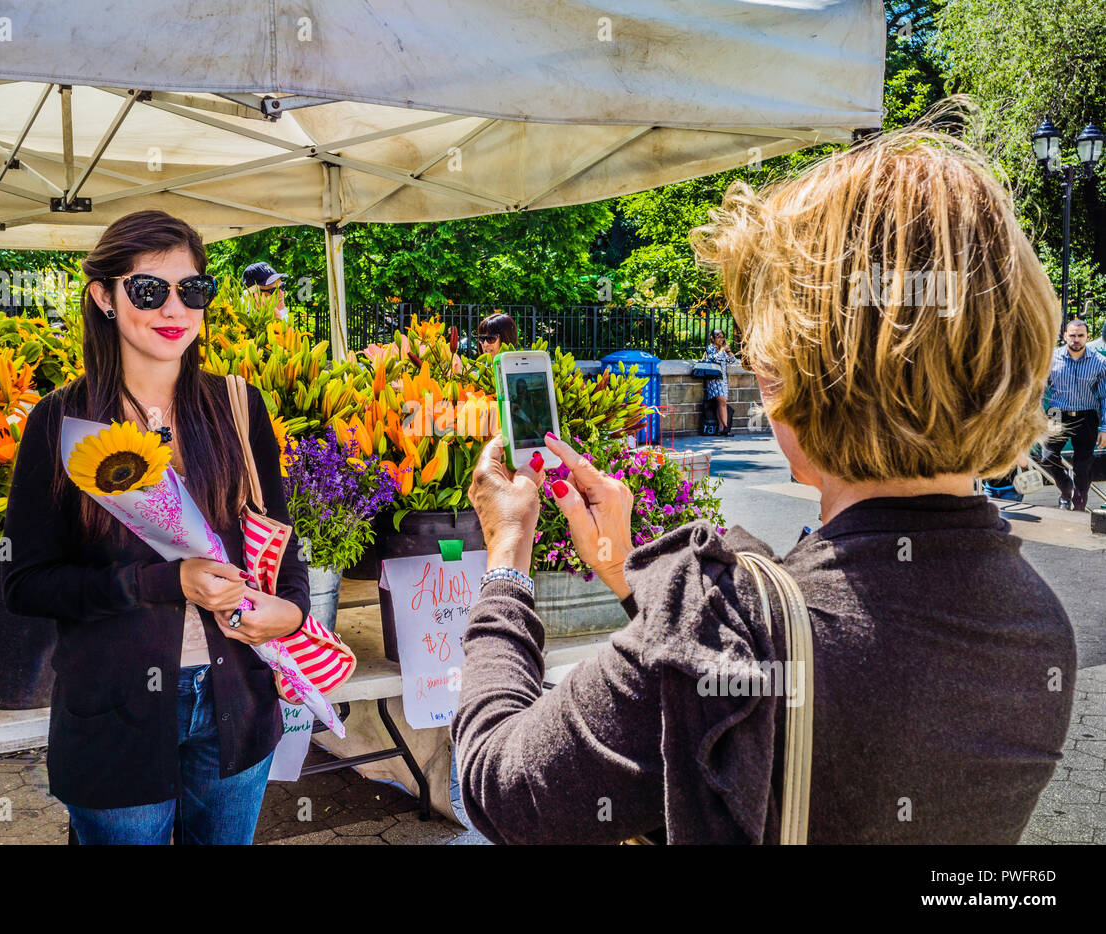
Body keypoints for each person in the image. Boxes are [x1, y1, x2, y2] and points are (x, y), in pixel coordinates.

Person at [453, 125, 1076, 844]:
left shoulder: (729, 625)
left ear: (796, 376)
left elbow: (501, 784)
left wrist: (507, 561)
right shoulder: (1039, 623)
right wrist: (632, 581)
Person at [2, 210, 309, 845]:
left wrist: (293, 614)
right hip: (116, 712)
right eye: (149, 289)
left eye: (191, 290)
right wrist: (162, 582)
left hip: (236, 703)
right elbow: (26, 585)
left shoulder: (236, 405)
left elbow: (282, 544)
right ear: (104, 297)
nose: (174, 308)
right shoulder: (60, 424)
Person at [1040, 319, 1106, 510]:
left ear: (1087, 337)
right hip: (1056, 413)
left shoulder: (1099, 362)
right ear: (1065, 336)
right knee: (1048, 456)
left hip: (1086, 415)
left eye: (1080, 336)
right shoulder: (1052, 358)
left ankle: (1079, 502)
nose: (1076, 339)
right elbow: (1042, 390)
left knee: (1082, 465)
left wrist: (1104, 427)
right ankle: (1065, 488)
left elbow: (1104, 396)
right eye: (1072, 335)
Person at [702, 329, 738, 436]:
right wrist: (722, 350)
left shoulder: (722, 349)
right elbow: (714, 359)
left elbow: (732, 360)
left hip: (723, 381)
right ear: (712, 338)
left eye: (722, 337)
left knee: (720, 404)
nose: (721, 339)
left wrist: (729, 351)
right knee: (722, 402)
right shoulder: (710, 348)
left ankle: (720, 429)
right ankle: (726, 428)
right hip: (713, 380)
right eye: (718, 336)